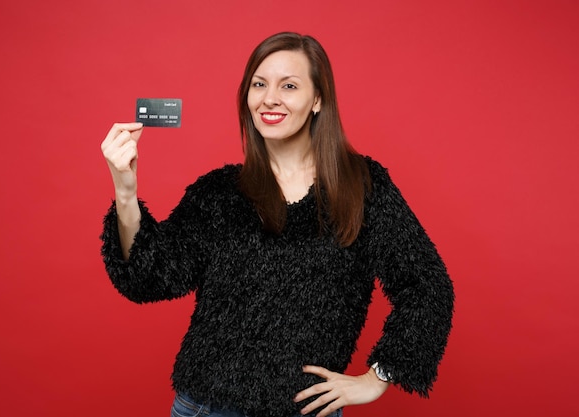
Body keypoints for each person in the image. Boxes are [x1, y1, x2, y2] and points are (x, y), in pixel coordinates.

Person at [100, 32, 454, 417]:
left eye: (289, 85)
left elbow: (427, 285)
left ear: (318, 99)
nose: (270, 97)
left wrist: (378, 377)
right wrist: (125, 190)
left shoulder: (363, 187)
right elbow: (148, 279)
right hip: (206, 409)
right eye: (259, 84)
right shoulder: (219, 192)